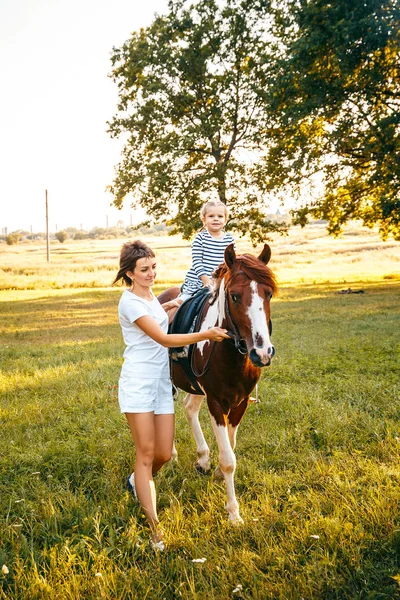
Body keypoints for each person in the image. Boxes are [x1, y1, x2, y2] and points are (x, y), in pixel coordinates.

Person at [113, 240, 229, 552]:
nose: (151, 274)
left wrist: (165, 307)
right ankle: (155, 530)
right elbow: (163, 338)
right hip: (138, 384)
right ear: (129, 273)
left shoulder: (149, 297)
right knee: (146, 454)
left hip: (162, 385)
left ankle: (137, 481)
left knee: (164, 454)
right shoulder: (129, 302)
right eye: (144, 270)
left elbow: (155, 318)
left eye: (153, 267)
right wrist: (206, 334)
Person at [180, 200, 235, 301]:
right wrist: (206, 280)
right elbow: (197, 262)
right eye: (211, 216)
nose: (216, 219)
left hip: (220, 282)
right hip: (199, 282)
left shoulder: (229, 240)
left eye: (220, 216)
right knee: (184, 302)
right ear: (204, 220)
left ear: (225, 220)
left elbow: (232, 263)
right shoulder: (200, 238)